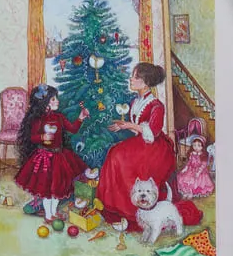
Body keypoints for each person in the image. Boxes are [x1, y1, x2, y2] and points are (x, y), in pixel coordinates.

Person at [97, 63, 202, 231]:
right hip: (142, 143)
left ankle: (131, 212)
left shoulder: (156, 105)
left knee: (120, 157)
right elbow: (137, 129)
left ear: (146, 83)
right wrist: (124, 126)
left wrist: (127, 125)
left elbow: (152, 131)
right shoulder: (136, 101)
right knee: (115, 152)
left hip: (155, 147)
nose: (131, 79)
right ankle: (116, 206)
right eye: (132, 76)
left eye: (135, 77)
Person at [15, 85, 89, 221]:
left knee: (58, 189)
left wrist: (80, 118)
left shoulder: (59, 117)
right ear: (44, 102)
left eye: (56, 98)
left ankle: (53, 213)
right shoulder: (39, 119)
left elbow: (73, 129)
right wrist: (42, 137)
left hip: (59, 157)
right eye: (53, 99)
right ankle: (48, 215)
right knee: (47, 190)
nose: (57, 101)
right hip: (45, 158)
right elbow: (33, 137)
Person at [177, 135, 215, 199]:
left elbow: (203, 165)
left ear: (202, 147)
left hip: (200, 171)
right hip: (191, 169)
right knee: (184, 178)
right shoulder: (192, 154)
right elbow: (189, 163)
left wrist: (198, 172)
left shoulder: (203, 155)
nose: (196, 147)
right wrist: (185, 168)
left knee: (194, 180)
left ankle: (191, 192)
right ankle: (187, 191)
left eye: (199, 146)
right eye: (194, 145)